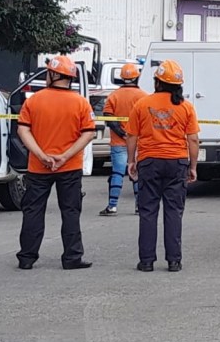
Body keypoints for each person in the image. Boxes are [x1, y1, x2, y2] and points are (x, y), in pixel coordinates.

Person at [16, 55, 97, 270]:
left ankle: (27, 257)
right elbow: (88, 134)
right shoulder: (81, 102)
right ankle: (72, 257)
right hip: (69, 167)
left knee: (33, 211)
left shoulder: (33, 100)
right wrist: (65, 156)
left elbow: (23, 130)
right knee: (70, 211)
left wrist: (42, 155)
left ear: (52, 74)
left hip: (38, 167)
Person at [127, 60, 201, 272]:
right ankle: (174, 261)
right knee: (173, 211)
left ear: (157, 82)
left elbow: (132, 135)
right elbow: (193, 139)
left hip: (149, 162)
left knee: (148, 211)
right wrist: (192, 166)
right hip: (177, 162)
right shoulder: (186, 107)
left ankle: (147, 261)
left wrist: (132, 161)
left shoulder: (142, 104)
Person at [100, 63, 148, 216]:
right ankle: (139, 206)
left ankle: (112, 206)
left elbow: (108, 117)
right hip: (138, 142)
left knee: (117, 173)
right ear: (137, 77)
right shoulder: (143, 96)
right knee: (137, 173)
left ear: (121, 78)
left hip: (118, 142)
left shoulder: (114, 96)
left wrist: (122, 133)